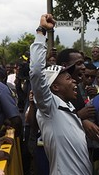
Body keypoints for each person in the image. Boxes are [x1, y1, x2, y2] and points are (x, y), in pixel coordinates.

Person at [29, 14, 92, 175]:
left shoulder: (67, 107)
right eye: (68, 78)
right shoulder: (49, 108)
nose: (74, 82)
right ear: (55, 87)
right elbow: (36, 72)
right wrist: (41, 31)